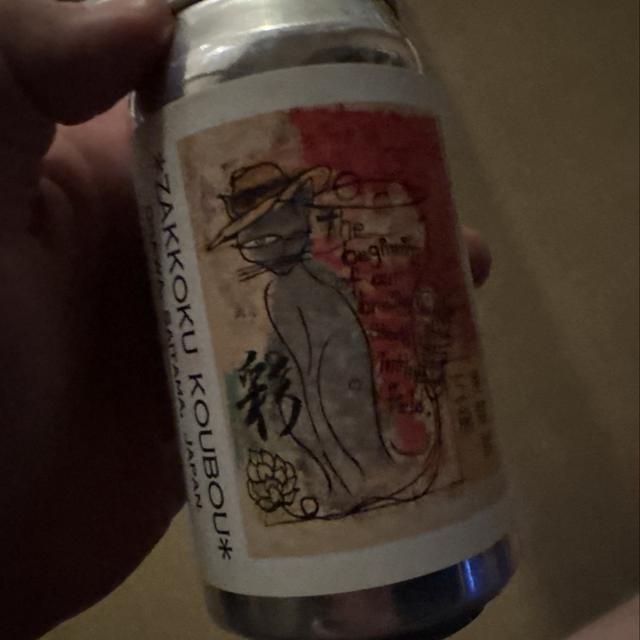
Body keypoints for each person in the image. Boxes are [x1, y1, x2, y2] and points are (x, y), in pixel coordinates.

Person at [0, 1, 634, 639]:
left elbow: (340, 373)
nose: (267, 242)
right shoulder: (288, 288)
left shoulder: (312, 286)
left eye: (278, 223)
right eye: (256, 233)